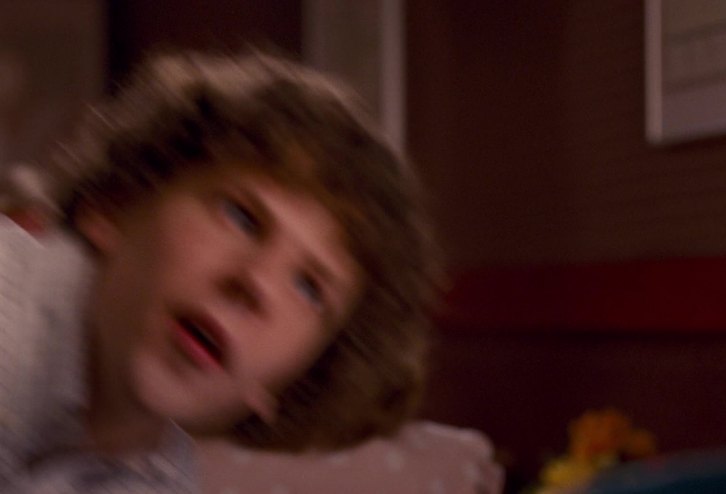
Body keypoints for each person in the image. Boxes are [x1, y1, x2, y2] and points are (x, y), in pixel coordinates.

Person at [0, 47, 439, 492]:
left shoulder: (162, 473)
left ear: (289, 384)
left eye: (309, 288)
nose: (257, 283)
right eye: (241, 217)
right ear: (115, 205)